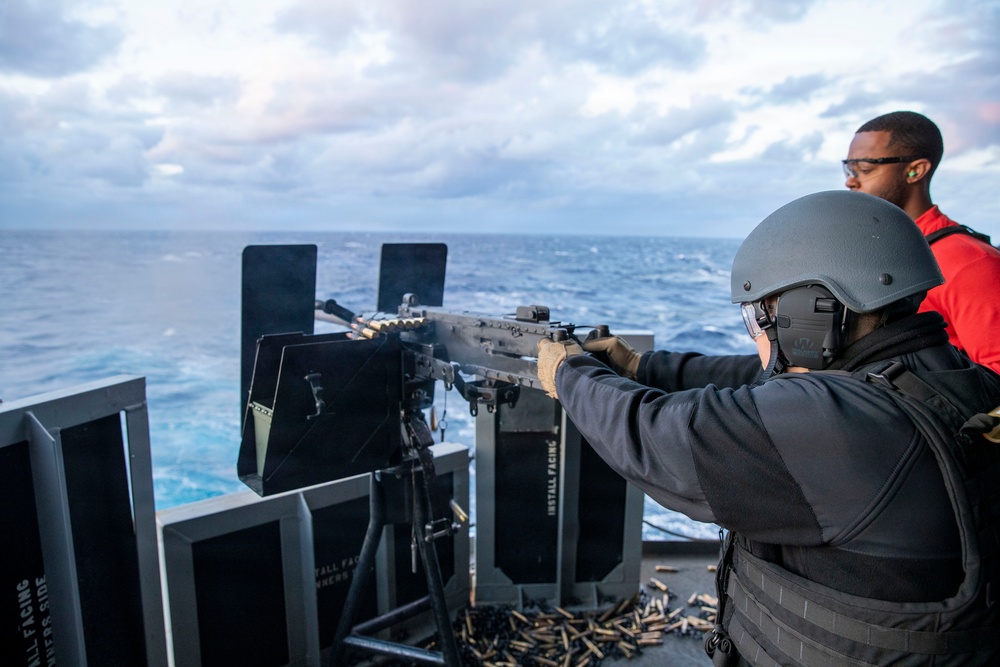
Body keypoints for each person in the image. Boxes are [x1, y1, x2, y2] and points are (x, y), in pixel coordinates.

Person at [537, 191, 1000, 666]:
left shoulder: (839, 422)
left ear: (811, 313)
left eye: (758, 315)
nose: (757, 333)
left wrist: (567, 376)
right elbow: (767, 382)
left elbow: (659, 438)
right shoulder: (956, 377)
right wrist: (643, 367)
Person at [844, 110, 1000, 372]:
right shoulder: (875, 251)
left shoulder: (970, 263)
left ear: (915, 171)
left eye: (865, 168)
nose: (850, 181)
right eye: (849, 168)